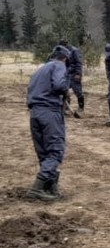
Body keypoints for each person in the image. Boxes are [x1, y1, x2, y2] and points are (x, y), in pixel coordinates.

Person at [25, 45, 71, 201]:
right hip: (49, 112)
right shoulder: (59, 66)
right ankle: (37, 188)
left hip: (34, 113)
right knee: (55, 151)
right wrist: (66, 91)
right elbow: (59, 85)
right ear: (65, 58)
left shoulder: (40, 70)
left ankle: (50, 188)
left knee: (44, 152)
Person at [59, 39, 85, 118]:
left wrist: (78, 74)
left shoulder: (74, 51)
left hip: (74, 74)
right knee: (64, 90)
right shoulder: (61, 51)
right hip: (66, 74)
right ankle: (66, 108)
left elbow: (78, 63)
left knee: (78, 92)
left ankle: (81, 108)